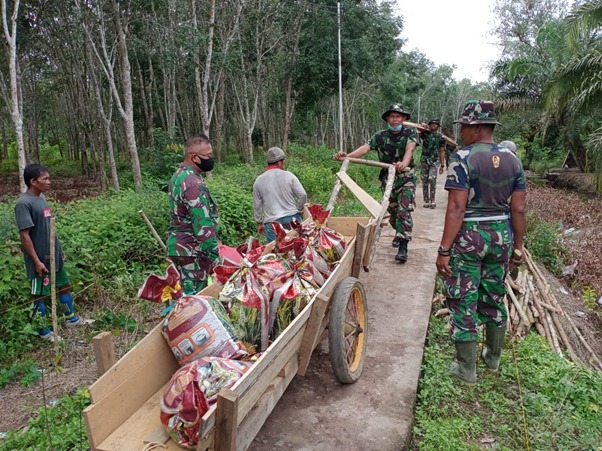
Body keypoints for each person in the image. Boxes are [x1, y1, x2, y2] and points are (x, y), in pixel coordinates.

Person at [435, 100, 526, 385]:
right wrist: (518, 246)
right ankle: (493, 358)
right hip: (501, 236)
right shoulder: (513, 160)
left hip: (469, 237)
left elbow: (456, 208)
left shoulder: (462, 157)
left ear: (476, 128)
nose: (461, 132)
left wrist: (444, 250)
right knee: (494, 295)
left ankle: (466, 368)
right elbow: (518, 209)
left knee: (463, 299)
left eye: (463, 127)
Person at [334, 104, 418, 263]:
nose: (395, 119)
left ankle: (403, 246)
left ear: (403, 119)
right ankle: (399, 232)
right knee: (393, 213)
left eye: (398, 116)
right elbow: (364, 149)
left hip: (405, 177)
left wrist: (403, 163)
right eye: (392, 116)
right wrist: (347, 156)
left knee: (404, 211)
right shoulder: (379, 136)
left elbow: (410, 149)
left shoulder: (410, 133)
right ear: (387, 119)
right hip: (388, 179)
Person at [15, 164, 82, 341]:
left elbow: (48, 227)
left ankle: (71, 319)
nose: (49, 182)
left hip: (53, 255)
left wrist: (59, 250)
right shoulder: (24, 204)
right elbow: (25, 236)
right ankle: (43, 331)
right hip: (39, 260)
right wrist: (36, 261)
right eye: (45, 179)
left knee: (64, 285)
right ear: (33, 181)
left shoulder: (41, 198)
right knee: (40, 294)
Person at [166, 134, 220, 295]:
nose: (210, 159)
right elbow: (203, 226)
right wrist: (216, 260)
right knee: (194, 301)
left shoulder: (178, 176)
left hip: (180, 248)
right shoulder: (194, 184)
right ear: (195, 157)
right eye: (208, 156)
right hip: (192, 251)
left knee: (184, 295)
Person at [253, 147, 307, 242]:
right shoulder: (289, 175)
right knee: (299, 247)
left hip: (271, 223)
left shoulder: (259, 181)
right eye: (283, 161)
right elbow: (302, 195)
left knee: (275, 249)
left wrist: (259, 222)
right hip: (292, 219)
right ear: (279, 162)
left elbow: (257, 206)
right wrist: (300, 212)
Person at [419, 118, 446, 208]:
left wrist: (442, 165)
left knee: (432, 178)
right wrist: (423, 125)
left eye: (435, 124)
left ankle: (433, 200)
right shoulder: (425, 134)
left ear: (438, 126)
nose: (433, 125)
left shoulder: (440, 137)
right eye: (432, 124)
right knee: (424, 180)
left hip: (434, 160)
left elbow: (442, 151)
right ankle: (426, 201)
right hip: (424, 159)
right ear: (429, 125)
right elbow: (418, 129)